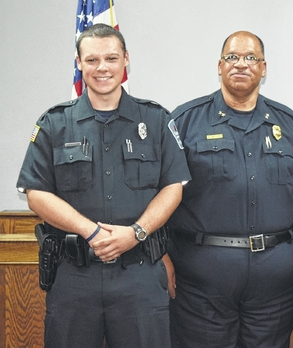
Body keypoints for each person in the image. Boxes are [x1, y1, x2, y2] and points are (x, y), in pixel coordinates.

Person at [16, 23, 191, 348]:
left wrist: (136, 232)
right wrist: (91, 232)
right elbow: (36, 193)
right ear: (79, 63)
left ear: (126, 60)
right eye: (92, 60)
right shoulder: (54, 123)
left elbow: (173, 187)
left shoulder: (155, 121)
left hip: (139, 273)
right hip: (73, 277)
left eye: (111, 58)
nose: (102, 68)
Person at [167, 30, 293, 348]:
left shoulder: (289, 124)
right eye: (232, 57)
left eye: (251, 58)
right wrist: (161, 259)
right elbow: (157, 191)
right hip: (201, 281)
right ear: (220, 66)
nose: (241, 64)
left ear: (263, 68)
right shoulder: (185, 122)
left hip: (274, 283)